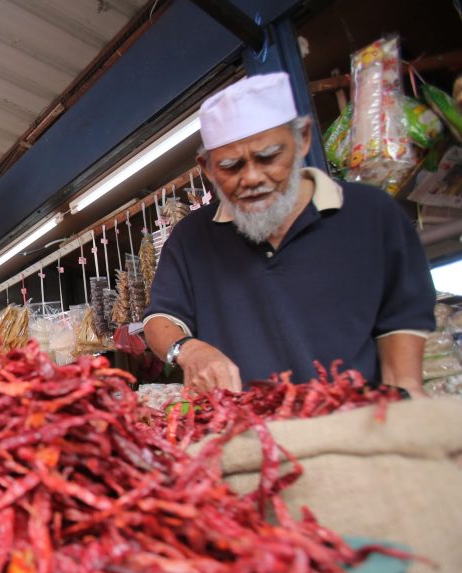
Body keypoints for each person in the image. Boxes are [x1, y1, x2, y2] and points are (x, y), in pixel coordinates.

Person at [144, 72, 435, 395]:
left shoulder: (371, 213)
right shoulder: (192, 237)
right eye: (231, 166)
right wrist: (189, 350)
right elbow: (160, 320)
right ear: (207, 168)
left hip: (357, 427)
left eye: (269, 157)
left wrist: (404, 408)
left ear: (304, 139)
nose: (252, 177)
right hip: (243, 434)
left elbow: (401, 324)